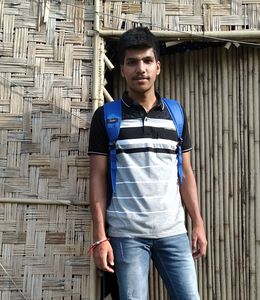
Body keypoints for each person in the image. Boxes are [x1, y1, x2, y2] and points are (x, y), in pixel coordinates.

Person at [88, 27, 207, 300]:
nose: (140, 69)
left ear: (158, 67)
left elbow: (185, 173)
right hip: (126, 235)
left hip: (174, 232)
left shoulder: (175, 114)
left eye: (147, 61)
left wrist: (198, 223)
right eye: (132, 62)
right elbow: (96, 178)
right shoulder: (106, 117)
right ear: (122, 69)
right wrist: (99, 237)